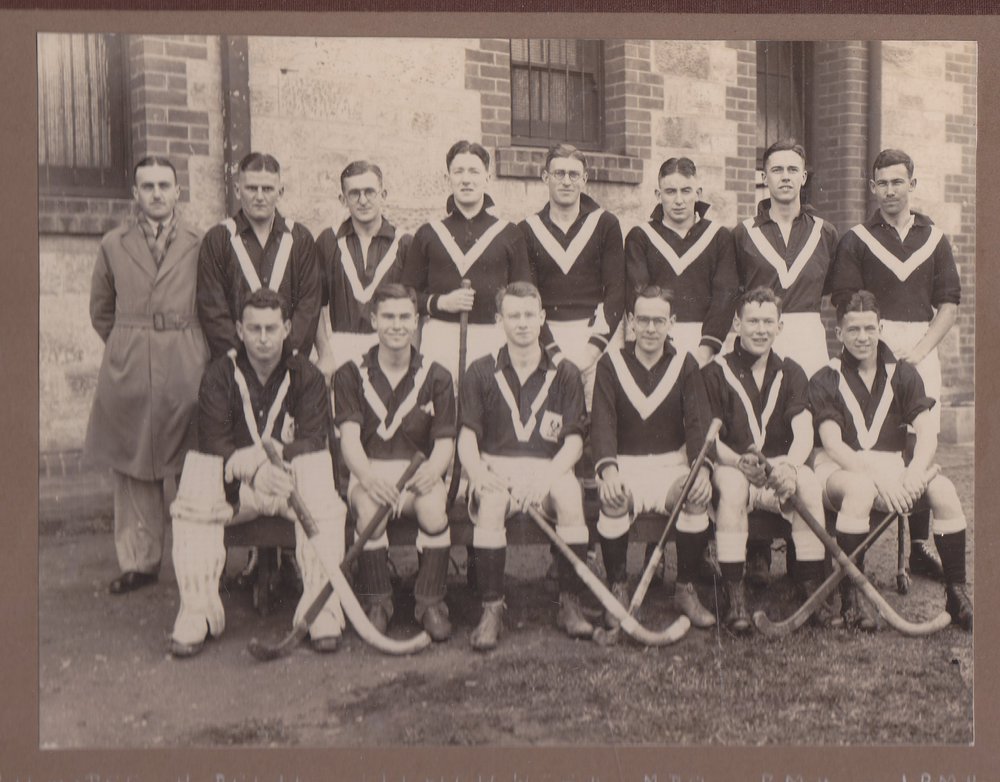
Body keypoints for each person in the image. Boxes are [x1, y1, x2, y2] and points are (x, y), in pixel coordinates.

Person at [168, 288, 346, 657]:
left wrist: (274, 459)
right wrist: (251, 467)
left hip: (288, 486)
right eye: (254, 329)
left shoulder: (307, 374)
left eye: (271, 328)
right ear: (239, 329)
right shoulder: (219, 375)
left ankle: (321, 607)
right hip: (239, 492)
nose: (263, 339)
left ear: (286, 328)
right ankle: (198, 611)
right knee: (198, 473)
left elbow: (314, 439)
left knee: (318, 470)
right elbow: (214, 441)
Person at [829, 149, 962, 581]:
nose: (890, 190)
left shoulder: (935, 238)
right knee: (874, 443)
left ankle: (919, 546)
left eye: (898, 181)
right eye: (882, 183)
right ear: (872, 188)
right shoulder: (856, 239)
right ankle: (856, 542)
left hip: (920, 347)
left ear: (912, 184)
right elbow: (847, 304)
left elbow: (949, 305)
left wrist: (919, 352)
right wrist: (876, 352)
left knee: (919, 447)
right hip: (872, 347)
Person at [808, 290, 972, 631]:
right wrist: (880, 482)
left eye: (869, 328)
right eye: (853, 330)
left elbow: (927, 433)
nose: (862, 337)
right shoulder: (826, 377)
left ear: (881, 327)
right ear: (838, 333)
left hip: (893, 469)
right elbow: (833, 445)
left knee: (943, 490)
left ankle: (957, 594)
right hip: (841, 469)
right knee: (860, 489)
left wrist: (913, 474)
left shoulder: (903, 374)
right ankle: (853, 596)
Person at [84, 156, 209, 595]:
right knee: (135, 463)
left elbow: (213, 302)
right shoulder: (113, 244)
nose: (157, 193)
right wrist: (127, 344)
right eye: (147, 186)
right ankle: (139, 561)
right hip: (132, 362)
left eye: (164, 185)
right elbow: (101, 310)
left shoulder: (201, 241)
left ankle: (199, 557)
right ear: (134, 194)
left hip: (186, 357)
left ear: (178, 192)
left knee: (194, 459)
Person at [457, 281, 590, 650]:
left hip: (548, 469)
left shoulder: (566, 373)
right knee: (493, 499)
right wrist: (479, 474)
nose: (522, 323)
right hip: (495, 466)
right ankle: (491, 609)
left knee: (568, 494)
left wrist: (545, 478)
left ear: (542, 318)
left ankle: (570, 603)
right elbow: (466, 437)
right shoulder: (480, 371)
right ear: (499, 319)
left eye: (530, 315)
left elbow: (575, 442)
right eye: (513, 315)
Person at [732, 138, 839, 584]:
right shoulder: (743, 233)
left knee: (804, 435)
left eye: (793, 170)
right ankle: (757, 547)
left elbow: (830, 288)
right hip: (760, 334)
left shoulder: (826, 233)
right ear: (764, 177)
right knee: (757, 425)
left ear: (804, 176)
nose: (785, 177)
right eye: (776, 170)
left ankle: (804, 553)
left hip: (807, 335)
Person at [702, 287, 831, 634]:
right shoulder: (715, 372)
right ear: (737, 324)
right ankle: (736, 597)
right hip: (735, 468)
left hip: (778, 466)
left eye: (768, 322)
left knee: (807, 483)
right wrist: (735, 461)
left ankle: (810, 589)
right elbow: (709, 438)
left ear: (780, 327)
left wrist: (789, 466)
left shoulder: (791, 371)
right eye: (753, 321)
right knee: (729, 488)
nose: (760, 329)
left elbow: (802, 428)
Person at [333, 284, 456, 641]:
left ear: (416, 321)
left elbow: (445, 441)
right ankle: (378, 602)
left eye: (405, 317)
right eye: (388, 317)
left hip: (418, 473)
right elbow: (350, 441)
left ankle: (430, 602)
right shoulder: (350, 373)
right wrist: (369, 479)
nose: (397, 325)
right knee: (371, 510)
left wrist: (433, 470)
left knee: (435, 508)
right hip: (370, 471)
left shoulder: (436, 374)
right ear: (374, 320)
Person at [590, 285, 716, 629]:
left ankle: (685, 588)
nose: (649, 328)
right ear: (630, 321)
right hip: (626, 465)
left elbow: (698, 423)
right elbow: (602, 424)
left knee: (696, 494)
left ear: (671, 322)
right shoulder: (611, 363)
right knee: (613, 500)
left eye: (658, 321)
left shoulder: (685, 363)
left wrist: (701, 470)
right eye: (642, 320)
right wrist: (609, 471)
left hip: (670, 466)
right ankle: (618, 586)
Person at [400, 140, 532, 381]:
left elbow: (524, 295)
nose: (466, 179)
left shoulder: (509, 234)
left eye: (474, 171)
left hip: (493, 338)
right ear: (447, 178)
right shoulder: (429, 233)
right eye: (458, 171)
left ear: (487, 178)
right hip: (440, 339)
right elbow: (407, 295)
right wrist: (440, 303)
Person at [520, 143, 625, 407]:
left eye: (573, 175)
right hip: (547, 338)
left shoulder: (605, 224)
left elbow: (616, 290)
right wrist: (553, 353)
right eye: (559, 174)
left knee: (599, 420)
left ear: (584, 179)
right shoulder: (528, 229)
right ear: (545, 177)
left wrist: (592, 351)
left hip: (596, 337)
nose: (566, 181)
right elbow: (529, 297)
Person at [197, 152, 321, 360]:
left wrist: (286, 354)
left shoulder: (300, 239)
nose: (260, 196)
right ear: (237, 190)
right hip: (236, 364)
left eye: (268, 189)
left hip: (288, 362)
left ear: (280, 191)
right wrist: (243, 360)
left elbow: (308, 306)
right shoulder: (217, 239)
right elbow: (212, 309)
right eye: (252, 188)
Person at [625, 156, 738, 367]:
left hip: (705, 347)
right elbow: (636, 295)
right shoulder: (641, 237)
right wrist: (657, 350)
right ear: (659, 195)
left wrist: (705, 352)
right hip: (655, 346)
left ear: (698, 193)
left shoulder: (719, 237)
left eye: (686, 191)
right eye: (670, 192)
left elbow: (725, 296)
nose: (679, 200)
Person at [314, 160, 413, 382]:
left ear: (383, 194)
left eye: (370, 192)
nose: (363, 200)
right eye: (354, 193)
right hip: (341, 351)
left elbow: (416, 309)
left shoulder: (405, 243)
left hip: (392, 351)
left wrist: (411, 358)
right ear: (343, 199)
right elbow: (314, 304)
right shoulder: (328, 241)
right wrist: (325, 354)